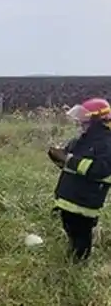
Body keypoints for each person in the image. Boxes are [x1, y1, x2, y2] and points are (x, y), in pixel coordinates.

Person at [48, 97, 111, 261]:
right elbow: (68, 164)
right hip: (69, 199)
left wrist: (69, 159)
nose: (81, 125)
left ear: (97, 121)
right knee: (71, 233)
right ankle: (71, 263)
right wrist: (57, 156)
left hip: (85, 202)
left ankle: (78, 268)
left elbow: (100, 169)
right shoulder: (81, 140)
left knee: (81, 240)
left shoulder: (107, 144)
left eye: (84, 122)